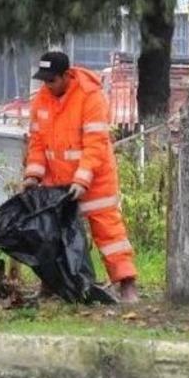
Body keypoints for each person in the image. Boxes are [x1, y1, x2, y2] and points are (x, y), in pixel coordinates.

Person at [24, 51, 139, 302]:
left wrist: (81, 180)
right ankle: (51, 284)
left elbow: (95, 144)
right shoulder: (41, 100)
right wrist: (33, 175)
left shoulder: (90, 97)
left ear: (66, 75)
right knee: (52, 233)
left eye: (52, 80)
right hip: (57, 180)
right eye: (44, 80)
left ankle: (126, 283)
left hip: (95, 179)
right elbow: (37, 144)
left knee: (109, 233)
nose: (47, 85)